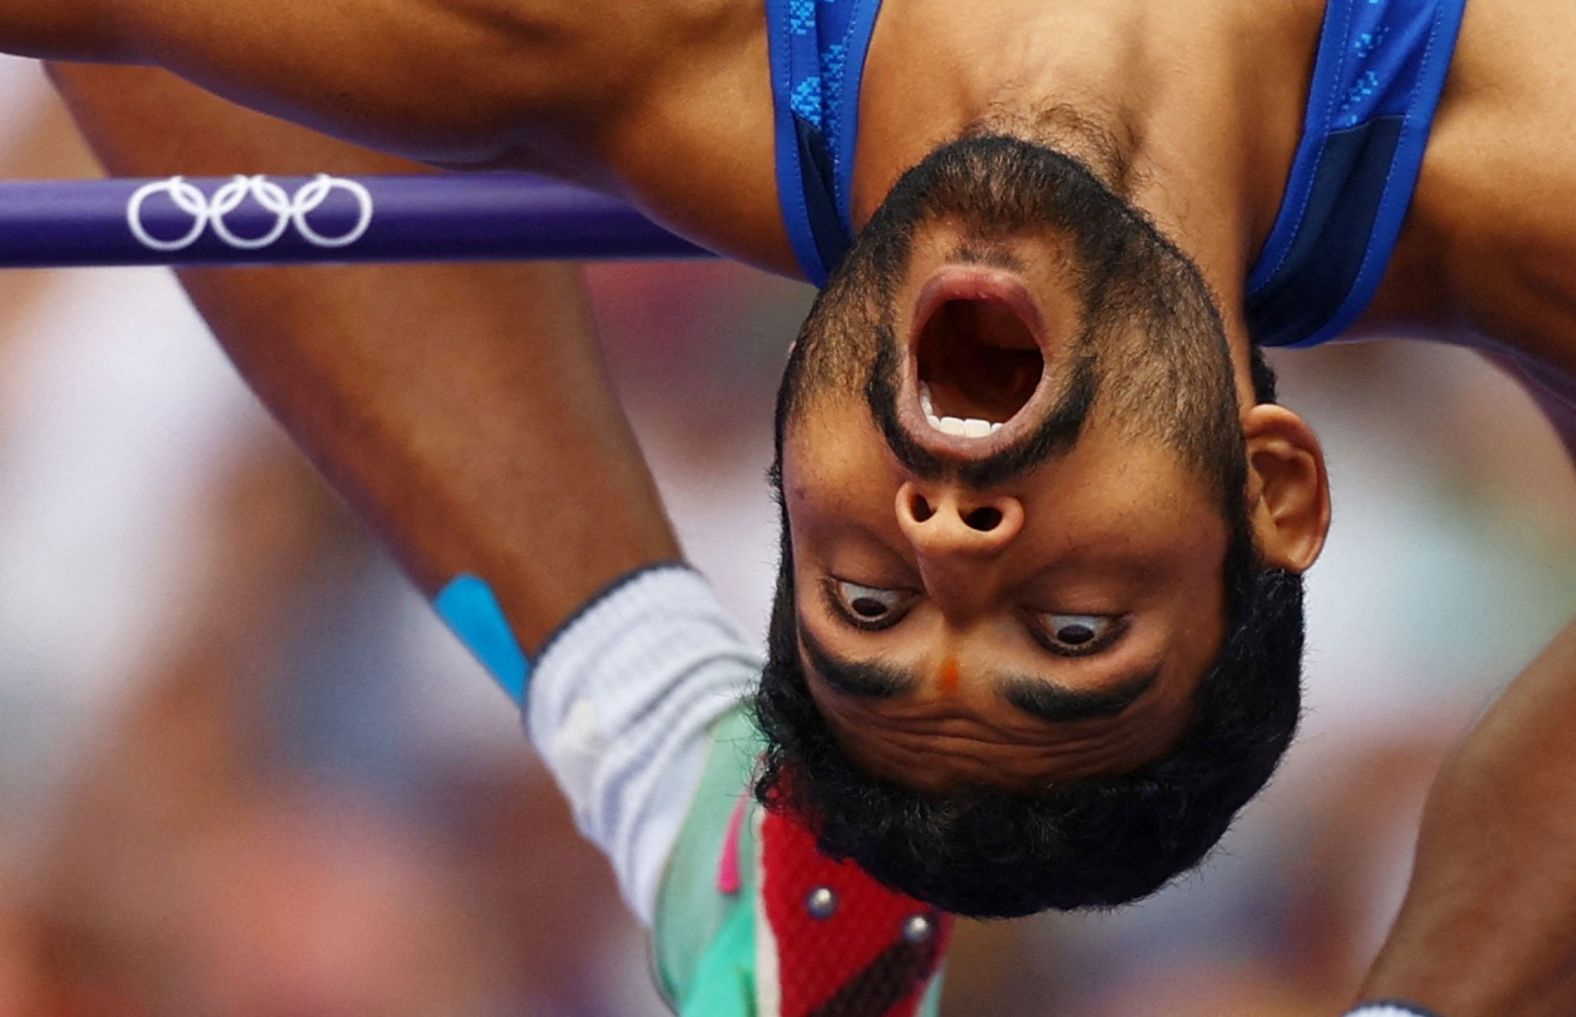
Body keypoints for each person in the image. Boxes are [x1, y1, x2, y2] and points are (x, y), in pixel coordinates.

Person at [0, 0, 1573, 1009]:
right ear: (1274, 484)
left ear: (790, 446)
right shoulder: (1528, 178)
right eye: (1075, 625)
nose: (954, 538)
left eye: (865, 602)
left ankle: (656, 727)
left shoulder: (618, 49)